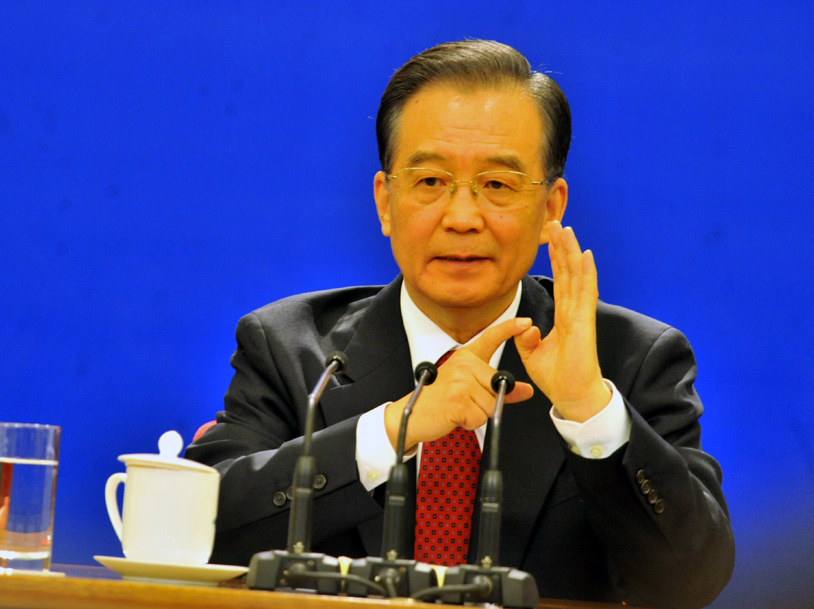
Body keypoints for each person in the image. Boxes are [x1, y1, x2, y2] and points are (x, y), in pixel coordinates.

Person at [186, 39, 735, 608]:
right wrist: (392, 429)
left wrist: (589, 411)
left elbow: (691, 582)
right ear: (385, 202)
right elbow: (196, 533)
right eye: (430, 182)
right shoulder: (293, 352)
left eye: (497, 185)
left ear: (551, 208)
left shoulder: (630, 361)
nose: (463, 217)